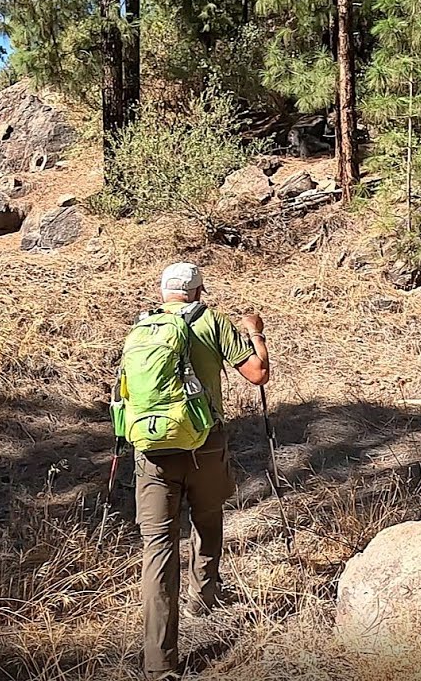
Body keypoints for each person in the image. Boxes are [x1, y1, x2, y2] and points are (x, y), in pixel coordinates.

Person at [137, 262, 269, 680]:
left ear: (163, 294)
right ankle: (204, 597)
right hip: (204, 443)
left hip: (153, 449)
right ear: (199, 292)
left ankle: (160, 665)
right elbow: (258, 374)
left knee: (157, 550)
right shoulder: (212, 321)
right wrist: (255, 332)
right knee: (208, 519)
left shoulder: (144, 328)